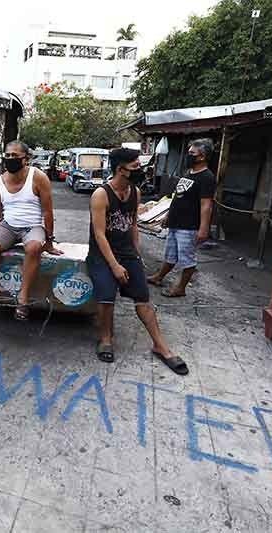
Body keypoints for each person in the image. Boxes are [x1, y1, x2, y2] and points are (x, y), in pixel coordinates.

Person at [86, 148, 188, 375]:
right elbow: (100, 234)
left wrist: (136, 255)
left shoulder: (135, 192)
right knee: (106, 296)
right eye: (135, 167)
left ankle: (160, 346)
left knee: (143, 297)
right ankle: (105, 338)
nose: (139, 170)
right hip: (102, 255)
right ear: (120, 169)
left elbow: (132, 225)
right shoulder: (101, 195)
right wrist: (114, 265)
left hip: (126, 252)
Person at [0, 141, 62, 320]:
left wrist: (49, 242)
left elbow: (48, 211)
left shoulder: (38, 177)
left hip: (32, 226)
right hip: (8, 225)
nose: (10, 159)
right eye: (7, 156)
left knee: (33, 248)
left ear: (26, 159)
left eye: (15, 156)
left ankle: (23, 297)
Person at [147, 139, 216, 297]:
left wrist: (203, 229)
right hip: (176, 222)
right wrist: (167, 215)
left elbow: (206, 205)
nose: (188, 156)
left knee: (187, 259)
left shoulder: (207, 177)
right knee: (170, 254)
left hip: (189, 226)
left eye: (192, 153)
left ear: (202, 156)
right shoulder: (188, 173)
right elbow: (178, 197)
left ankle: (181, 288)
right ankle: (159, 277)